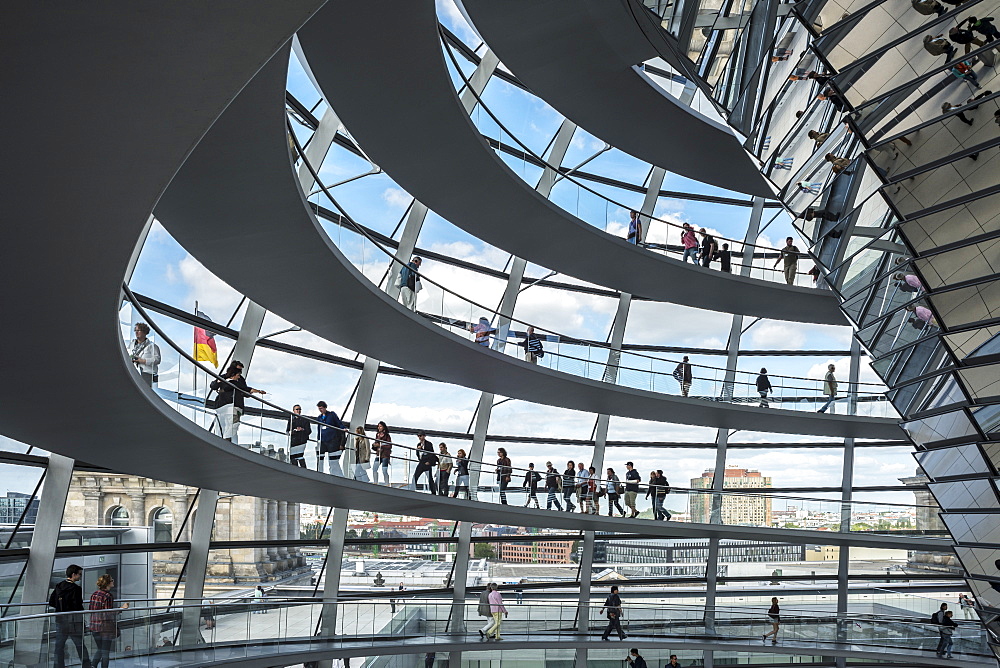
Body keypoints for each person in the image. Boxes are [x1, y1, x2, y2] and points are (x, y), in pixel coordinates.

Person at [210, 360, 265, 443]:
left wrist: (249, 393)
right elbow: (213, 386)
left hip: (230, 404)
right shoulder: (224, 378)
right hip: (225, 404)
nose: (240, 373)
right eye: (238, 370)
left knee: (230, 424)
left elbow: (245, 390)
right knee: (227, 424)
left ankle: (227, 440)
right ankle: (223, 440)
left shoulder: (239, 380)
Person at [50, 564, 91, 668]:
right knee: (80, 646)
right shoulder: (76, 589)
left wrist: (61, 607)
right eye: (79, 574)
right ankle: (86, 666)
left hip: (60, 620)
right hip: (74, 622)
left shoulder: (59, 586)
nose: (80, 576)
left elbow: (51, 602)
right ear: (74, 574)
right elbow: (78, 605)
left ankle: (58, 666)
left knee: (59, 646)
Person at [88, 574, 129, 668]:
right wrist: (121, 608)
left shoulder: (94, 594)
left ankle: (93, 665)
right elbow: (108, 613)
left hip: (94, 626)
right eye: (111, 580)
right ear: (107, 583)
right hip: (104, 627)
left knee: (101, 649)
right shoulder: (108, 596)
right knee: (105, 652)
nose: (113, 582)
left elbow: (91, 609)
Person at [316, 401, 347, 476]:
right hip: (323, 440)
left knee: (333, 460)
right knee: (320, 458)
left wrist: (343, 428)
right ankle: (320, 473)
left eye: (322, 408)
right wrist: (318, 439)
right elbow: (319, 429)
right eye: (319, 408)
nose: (320, 410)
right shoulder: (319, 418)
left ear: (325, 407)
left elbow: (338, 423)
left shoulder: (331, 415)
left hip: (332, 439)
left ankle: (337, 475)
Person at [128, 322, 161, 387]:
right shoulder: (132, 344)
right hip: (133, 372)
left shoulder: (152, 346)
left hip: (147, 374)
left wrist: (143, 361)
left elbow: (157, 360)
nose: (136, 332)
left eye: (139, 330)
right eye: (136, 330)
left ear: (145, 332)